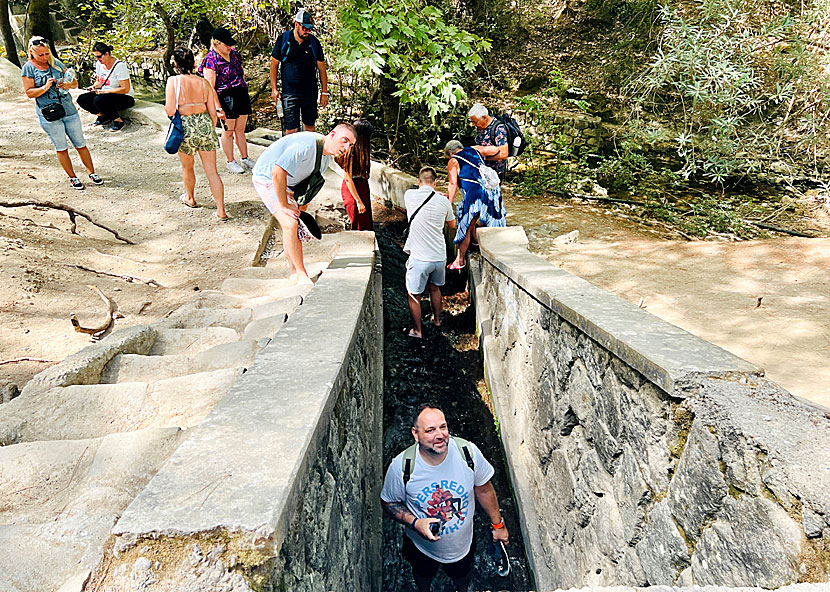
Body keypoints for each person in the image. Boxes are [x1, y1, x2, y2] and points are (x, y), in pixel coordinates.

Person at [381, 404, 509, 592]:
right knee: (423, 575)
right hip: (421, 547)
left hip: (463, 546)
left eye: (443, 427)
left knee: (462, 575)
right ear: (416, 434)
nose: (440, 435)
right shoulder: (402, 467)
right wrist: (416, 523)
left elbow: (483, 489)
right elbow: (389, 502)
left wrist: (498, 525)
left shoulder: (468, 453)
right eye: (430, 430)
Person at [252, 124, 356, 284]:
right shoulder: (306, 145)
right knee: (289, 223)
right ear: (333, 134)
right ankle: (300, 274)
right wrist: (284, 206)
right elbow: (277, 172)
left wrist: (299, 212)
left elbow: (305, 189)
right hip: (267, 176)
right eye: (345, 140)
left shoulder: (325, 157)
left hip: (288, 184)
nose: (347, 147)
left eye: (351, 145)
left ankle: (295, 272)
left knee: (294, 224)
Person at [21, 36, 103, 190]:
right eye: (41, 55)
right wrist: (45, 87)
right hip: (49, 113)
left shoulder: (56, 63)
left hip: (68, 109)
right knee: (61, 146)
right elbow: (29, 93)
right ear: (32, 53)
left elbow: (74, 82)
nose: (45, 57)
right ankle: (72, 177)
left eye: (46, 53)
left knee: (80, 143)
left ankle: (92, 172)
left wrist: (68, 84)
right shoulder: (28, 68)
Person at [165, 47, 228, 221]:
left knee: (187, 166)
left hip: (185, 127)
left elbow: (170, 109)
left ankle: (190, 198)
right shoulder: (203, 82)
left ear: (176, 64)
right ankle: (221, 210)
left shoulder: (173, 81)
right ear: (193, 63)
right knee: (212, 171)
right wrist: (210, 127)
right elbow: (212, 111)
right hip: (205, 125)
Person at [402, 167, 456, 338]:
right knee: (435, 289)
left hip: (419, 258)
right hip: (439, 256)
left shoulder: (409, 195)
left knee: (414, 295)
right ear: (435, 182)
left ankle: (417, 331)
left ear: (419, 181)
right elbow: (452, 225)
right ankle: (437, 319)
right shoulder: (444, 201)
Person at [199, 27, 255, 174]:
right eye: (227, 44)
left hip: (240, 93)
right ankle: (231, 161)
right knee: (228, 131)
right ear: (217, 44)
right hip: (225, 96)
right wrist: (218, 107)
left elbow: (240, 73)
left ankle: (245, 158)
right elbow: (210, 87)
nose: (230, 47)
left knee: (240, 129)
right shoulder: (210, 60)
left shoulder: (235, 55)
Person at [444, 140, 506, 270]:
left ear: (450, 153)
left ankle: (459, 260)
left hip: (475, 195)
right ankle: (476, 243)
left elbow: (452, 184)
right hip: (491, 191)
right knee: (473, 221)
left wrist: (448, 205)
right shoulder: (475, 150)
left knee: (465, 225)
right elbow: (495, 150)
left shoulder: (453, 161)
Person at [269, 9, 328, 134]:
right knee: (291, 129)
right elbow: (274, 65)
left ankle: (309, 153)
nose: (307, 31)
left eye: (310, 29)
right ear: (297, 24)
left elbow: (322, 68)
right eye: (305, 28)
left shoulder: (314, 43)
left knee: (310, 126)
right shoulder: (284, 40)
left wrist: (324, 92)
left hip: (310, 92)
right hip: (290, 93)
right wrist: (274, 89)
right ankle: (291, 153)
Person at [76, 42, 135, 132]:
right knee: (82, 99)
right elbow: (99, 81)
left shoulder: (119, 66)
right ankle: (102, 116)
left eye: (99, 57)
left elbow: (125, 88)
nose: (98, 59)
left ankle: (118, 121)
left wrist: (106, 92)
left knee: (99, 100)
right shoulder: (99, 64)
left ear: (106, 54)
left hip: (124, 96)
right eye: (95, 57)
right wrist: (93, 87)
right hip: (105, 94)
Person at [336, 119, 374, 230]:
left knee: (365, 218)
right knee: (356, 217)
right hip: (351, 187)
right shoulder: (349, 150)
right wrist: (358, 201)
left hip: (362, 183)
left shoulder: (362, 149)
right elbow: (348, 179)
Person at [468, 103, 508, 180]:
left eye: (475, 122)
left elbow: (504, 154)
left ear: (484, 117)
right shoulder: (481, 126)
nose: (473, 124)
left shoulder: (499, 128)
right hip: (482, 170)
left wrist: (483, 156)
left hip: (494, 173)